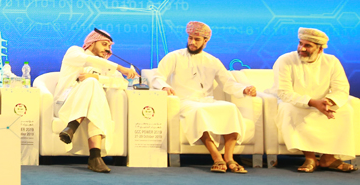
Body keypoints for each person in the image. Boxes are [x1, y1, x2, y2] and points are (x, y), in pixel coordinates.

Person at [150, 21, 256, 174]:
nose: (192, 42)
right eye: (190, 38)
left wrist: (244, 89)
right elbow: (157, 76)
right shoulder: (174, 57)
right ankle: (216, 157)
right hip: (184, 101)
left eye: (197, 39)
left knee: (231, 108)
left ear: (205, 41)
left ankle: (229, 158)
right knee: (199, 111)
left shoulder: (212, 61)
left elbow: (228, 83)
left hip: (207, 100)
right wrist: (164, 86)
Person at [272, 28, 357, 173]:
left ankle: (328, 158)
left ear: (320, 49)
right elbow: (285, 93)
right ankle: (310, 158)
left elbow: (341, 88)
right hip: (294, 102)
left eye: (308, 45)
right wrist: (312, 103)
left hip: (322, 102)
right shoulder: (285, 60)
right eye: (300, 44)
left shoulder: (332, 61)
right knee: (291, 110)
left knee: (346, 110)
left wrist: (328, 102)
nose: (302, 48)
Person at [53, 28, 136, 173]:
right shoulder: (75, 52)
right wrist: (120, 68)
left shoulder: (106, 67)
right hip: (65, 104)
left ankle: (73, 127)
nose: (108, 49)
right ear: (92, 42)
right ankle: (95, 156)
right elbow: (89, 59)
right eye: (104, 44)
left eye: (109, 46)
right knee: (91, 84)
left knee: (93, 87)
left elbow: (122, 83)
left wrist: (98, 78)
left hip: (92, 108)